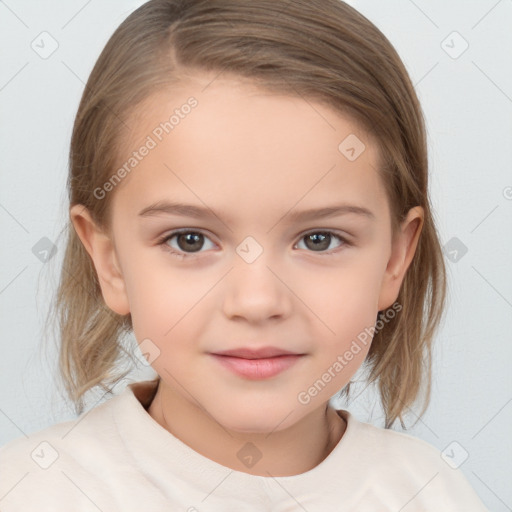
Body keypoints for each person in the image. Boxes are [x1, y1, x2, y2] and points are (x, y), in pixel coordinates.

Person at [0, 0, 489, 510]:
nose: (257, 302)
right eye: (189, 240)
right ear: (111, 263)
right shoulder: (30, 492)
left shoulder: (431, 493)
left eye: (319, 239)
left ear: (395, 258)